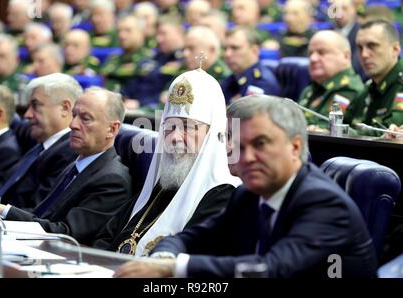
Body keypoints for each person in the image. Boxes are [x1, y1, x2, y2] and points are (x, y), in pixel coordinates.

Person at [114, 94, 378, 278]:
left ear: (295, 147)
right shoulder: (249, 192)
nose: (246, 157)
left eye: (260, 144)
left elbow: (270, 269)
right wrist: (163, 258)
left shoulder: (322, 203)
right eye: (238, 145)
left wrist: (175, 269)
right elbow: (194, 238)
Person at [93, 68, 241, 256]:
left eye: (187, 128)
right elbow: (106, 237)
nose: (175, 137)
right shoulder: (168, 180)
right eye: (170, 127)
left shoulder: (223, 194)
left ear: (211, 135)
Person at [0, 87, 133, 246]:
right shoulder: (75, 167)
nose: (72, 124)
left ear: (112, 129)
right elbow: (41, 217)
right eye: (74, 115)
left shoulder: (112, 180)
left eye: (85, 119)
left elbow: (66, 234)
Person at [0, 74, 80, 211]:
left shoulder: (69, 152)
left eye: (35, 105)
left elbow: (39, 212)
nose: (27, 115)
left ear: (65, 108)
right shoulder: (38, 148)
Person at [345, 20, 403, 134]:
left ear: (395, 49)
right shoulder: (368, 88)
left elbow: (388, 134)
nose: (364, 54)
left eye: (372, 46)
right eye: (360, 48)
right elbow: (344, 123)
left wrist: (343, 132)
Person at [298, 30, 364, 129]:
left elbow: (326, 130)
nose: (313, 58)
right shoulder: (311, 89)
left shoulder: (347, 89)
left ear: (345, 56)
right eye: (310, 53)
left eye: (322, 52)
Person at [220, 26, 280, 104]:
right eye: (225, 49)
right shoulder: (231, 79)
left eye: (235, 48)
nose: (227, 54)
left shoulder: (261, 83)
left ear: (254, 51)